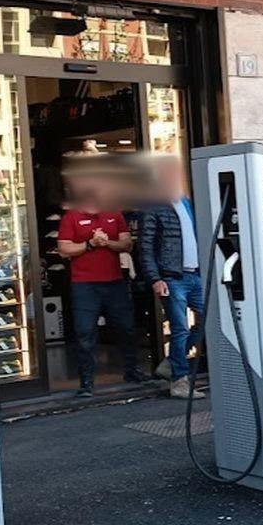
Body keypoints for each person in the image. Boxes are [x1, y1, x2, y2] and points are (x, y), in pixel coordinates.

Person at [57, 171, 144, 397]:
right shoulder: (71, 217)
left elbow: (127, 244)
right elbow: (64, 249)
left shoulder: (114, 214)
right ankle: (86, 382)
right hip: (84, 285)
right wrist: (90, 244)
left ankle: (132, 371)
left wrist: (107, 242)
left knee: (126, 327)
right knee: (85, 332)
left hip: (114, 281)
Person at [137, 162, 204, 401]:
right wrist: (155, 278)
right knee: (180, 328)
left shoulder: (186, 203)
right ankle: (179, 382)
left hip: (194, 275)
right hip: (171, 277)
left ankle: (171, 363)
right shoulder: (152, 207)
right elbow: (145, 247)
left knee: (208, 319)